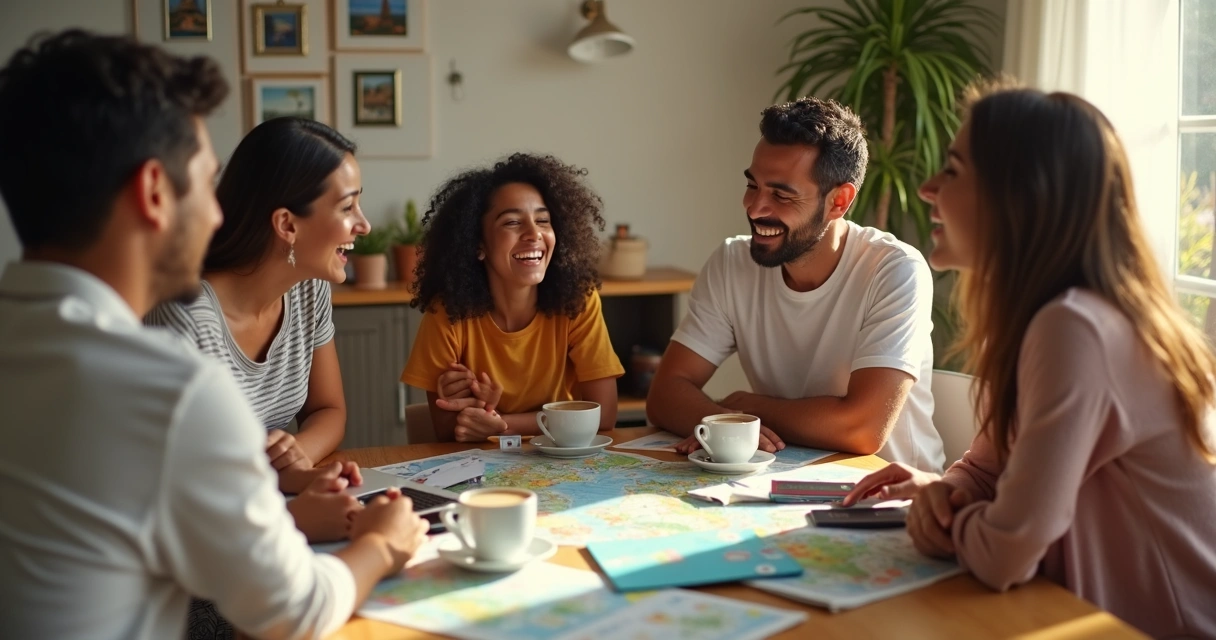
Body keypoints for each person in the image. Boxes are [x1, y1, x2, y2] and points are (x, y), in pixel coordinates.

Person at [0, 30, 428, 640]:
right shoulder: (171, 390)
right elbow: (295, 610)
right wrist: (384, 544)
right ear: (153, 193)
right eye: (204, 183)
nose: (219, 215)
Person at [843, 84, 1216, 637]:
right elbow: (988, 467)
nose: (927, 189)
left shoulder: (1075, 327)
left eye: (952, 170)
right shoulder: (1042, 319)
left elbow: (1004, 553)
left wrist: (944, 525)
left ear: (1018, 195)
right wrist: (946, 491)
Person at [647, 97, 943, 472]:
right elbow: (665, 394)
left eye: (781, 194)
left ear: (839, 201)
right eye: (753, 185)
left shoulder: (895, 271)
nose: (754, 208)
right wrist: (724, 421)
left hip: (890, 499)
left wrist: (748, 408)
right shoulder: (732, 263)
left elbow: (863, 429)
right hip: (780, 484)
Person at [146, 117, 365, 496]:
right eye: (347, 208)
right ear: (287, 225)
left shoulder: (308, 289)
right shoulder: (186, 318)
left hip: (258, 502)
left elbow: (329, 410)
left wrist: (295, 454)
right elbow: (184, 476)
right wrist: (283, 478)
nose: (363, 225)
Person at [401, 153, 625, 442]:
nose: (534, 234)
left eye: (543, 220)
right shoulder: (448, 311)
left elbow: (604, 414)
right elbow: (448, 428)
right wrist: (482, 408)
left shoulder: (578, 301)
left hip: (562, 461)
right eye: (512, 223)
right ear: (478, 244)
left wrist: (502, 423)